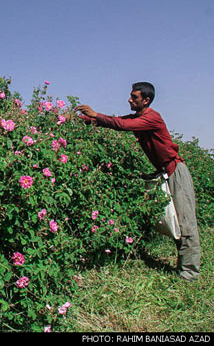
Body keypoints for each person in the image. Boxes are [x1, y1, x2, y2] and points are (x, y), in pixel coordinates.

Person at [75, 82, 200, 282]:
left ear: (146, 100)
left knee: (186, 222)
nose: (130, 100)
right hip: (164, 172)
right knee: (173, 220)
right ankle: (183, 266)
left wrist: (95, 113)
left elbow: (122, 125)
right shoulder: (139, 118)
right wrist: (83, 120)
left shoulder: (152, 118)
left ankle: (189, 273)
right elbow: (115, 121)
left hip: (176, 171)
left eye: (134, 97)